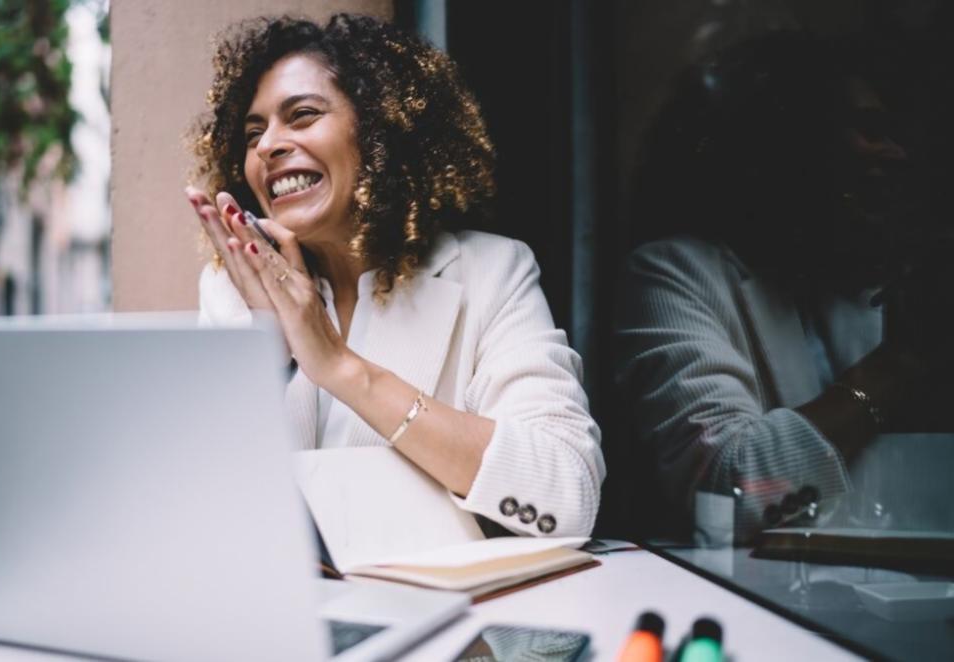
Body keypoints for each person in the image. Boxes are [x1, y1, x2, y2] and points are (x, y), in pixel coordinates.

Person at [183, 14, 604, 538]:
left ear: (380, 132)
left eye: (303, 115)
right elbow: (205, 509)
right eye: (253, 133)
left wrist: (341, 368)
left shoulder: (491, 273)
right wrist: (265, 351)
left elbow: (567, 495)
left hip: (443, 608)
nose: (268, 145)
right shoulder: (232, 291)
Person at [614, 31, 953, 540]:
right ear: (792, 141)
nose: (896, 154)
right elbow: (731, 491)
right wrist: (900, 361)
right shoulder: (674, 275)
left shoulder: (885, 280)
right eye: (869, 129)